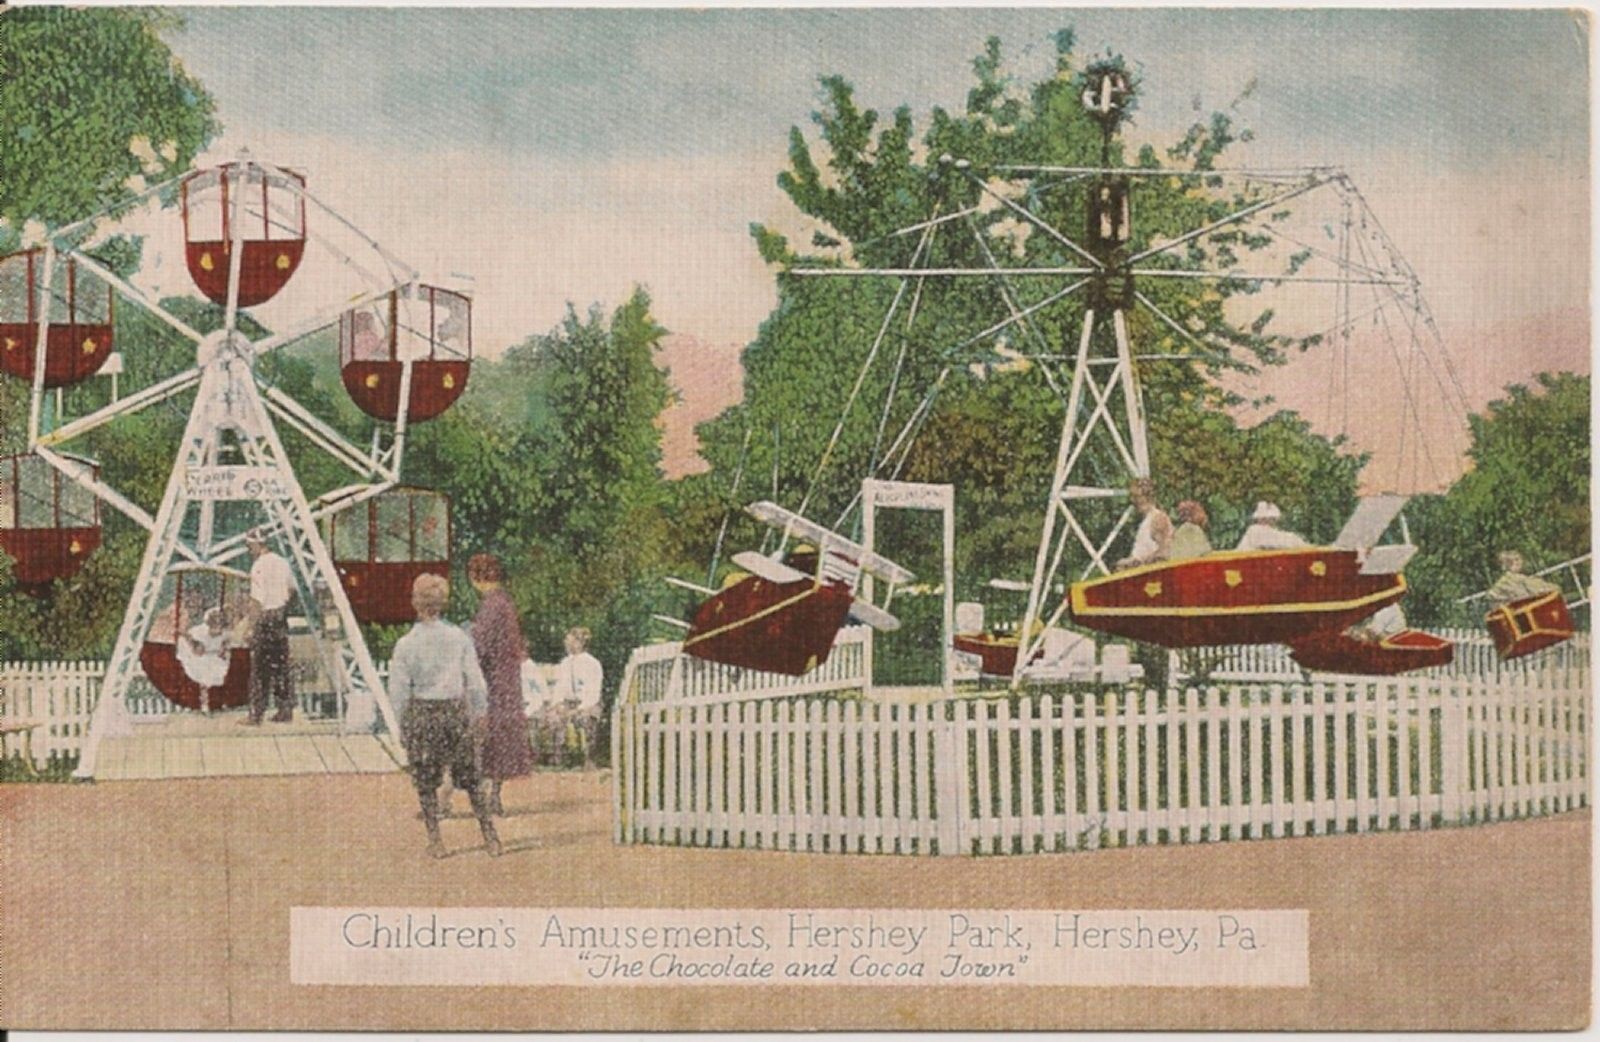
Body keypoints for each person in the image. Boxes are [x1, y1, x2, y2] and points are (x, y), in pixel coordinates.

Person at [389, 573, 501, 858]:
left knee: (426, 781)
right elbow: (475, 683)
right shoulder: (459, 638)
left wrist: (402, 724)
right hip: (455, 712)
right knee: (472, 778)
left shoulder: (406, 644)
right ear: (443, 602)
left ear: (416, 603)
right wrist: (480, 713)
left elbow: (398, 691)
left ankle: (436, 841)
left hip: (423, 713)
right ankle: (490, 837)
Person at [465, 553, 532, 816]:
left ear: (476, 577)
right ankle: (494, 795)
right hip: (507, 680)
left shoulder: (491, 605)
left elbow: (479, 645)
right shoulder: (505, 602)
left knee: (485, 738)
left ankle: (485, 797)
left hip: (492, 681)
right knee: (499, 739)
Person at [243, 529, 295, 725]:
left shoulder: (258, 567)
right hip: (280, 616)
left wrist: (250, 627)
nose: (249, 550)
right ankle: (285, 710)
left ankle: (256, 714)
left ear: (256, 545)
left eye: (250, 546)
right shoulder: (282, 562)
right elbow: (291, 588)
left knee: (260, 669)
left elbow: (256, 600)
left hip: (265, 618)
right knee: (281, 666)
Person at [543, 627, 604, 768]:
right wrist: (557, 704)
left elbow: (593, 693)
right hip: (568, 703)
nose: (566, 643)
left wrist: (579, 709)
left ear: (579, 642)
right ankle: (560, 758)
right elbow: (559, 687)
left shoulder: (592, 664)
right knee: (554, 718)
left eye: (569, 640)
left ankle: (589, 758)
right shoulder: (564, 663)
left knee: (586, 718)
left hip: (588, 704)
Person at [178, 608, 231, 713]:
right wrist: (191, 641)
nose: (218, 623)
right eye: (215, 620)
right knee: (204, 678)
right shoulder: (198, 632)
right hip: (198, 658)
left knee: (222, 674)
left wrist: (224, 650)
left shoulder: (225, 633)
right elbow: (198, 651)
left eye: (220, 620)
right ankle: (204, 704)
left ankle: (220, 703)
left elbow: (224, 648)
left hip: (215, 658)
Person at [1116, 478, 1172, 569]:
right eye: (1131, 497)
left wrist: (1140, 562)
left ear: (1148, 497)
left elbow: (1165, 553)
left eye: (1136, 497)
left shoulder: (1158, 519)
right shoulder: (1144, 521)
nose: (1133, 501)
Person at [1486, 550, 1560, 607]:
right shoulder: (1520, 580)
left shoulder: (1495, 589)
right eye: (1518, 560)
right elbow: (1546, 590)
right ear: (1515, 562)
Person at [1236, 501, 1309, 551]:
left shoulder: (1274, 532)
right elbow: (1272, 542)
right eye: (1264, 518)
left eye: (1272, 518)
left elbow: (1286, 539)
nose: (1270, 521)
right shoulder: (1255, 530)